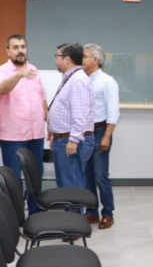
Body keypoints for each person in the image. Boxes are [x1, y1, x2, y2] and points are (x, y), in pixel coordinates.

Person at [0, 35, 48, 215]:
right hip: (13, 135)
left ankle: (35, 212)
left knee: (35, 175)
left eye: (23, 46)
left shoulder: (33, 69)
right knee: (13, 178)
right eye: (15, 47)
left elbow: (42, 98)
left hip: (36, 133)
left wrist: (49, 123)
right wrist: (18, 75)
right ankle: (14, 216)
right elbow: (1, 89)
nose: (20, 50)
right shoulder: (1, 71)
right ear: (8, 51)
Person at [82, 44, 120, 230]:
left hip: (99, 132)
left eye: (85, 56)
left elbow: (113, 112)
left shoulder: (107, 82)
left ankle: (108, 214)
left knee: (101, 176)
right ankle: (91, 212)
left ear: (95, 60)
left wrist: (106, 137)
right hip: (84, 133)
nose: (81, 60)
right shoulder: (81, 79)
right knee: (87, 175)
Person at [49, 43, 95, 190]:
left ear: (67, 59)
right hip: (64, 138)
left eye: (57, 56)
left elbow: (80, 115)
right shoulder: (71, 78)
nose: (55, 59)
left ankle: (74, 207)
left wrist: (73, 140)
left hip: (71, 141)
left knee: (72, 186)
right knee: (66, 184)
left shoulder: (78, 80)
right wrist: (55, 134)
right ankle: (71, 207)